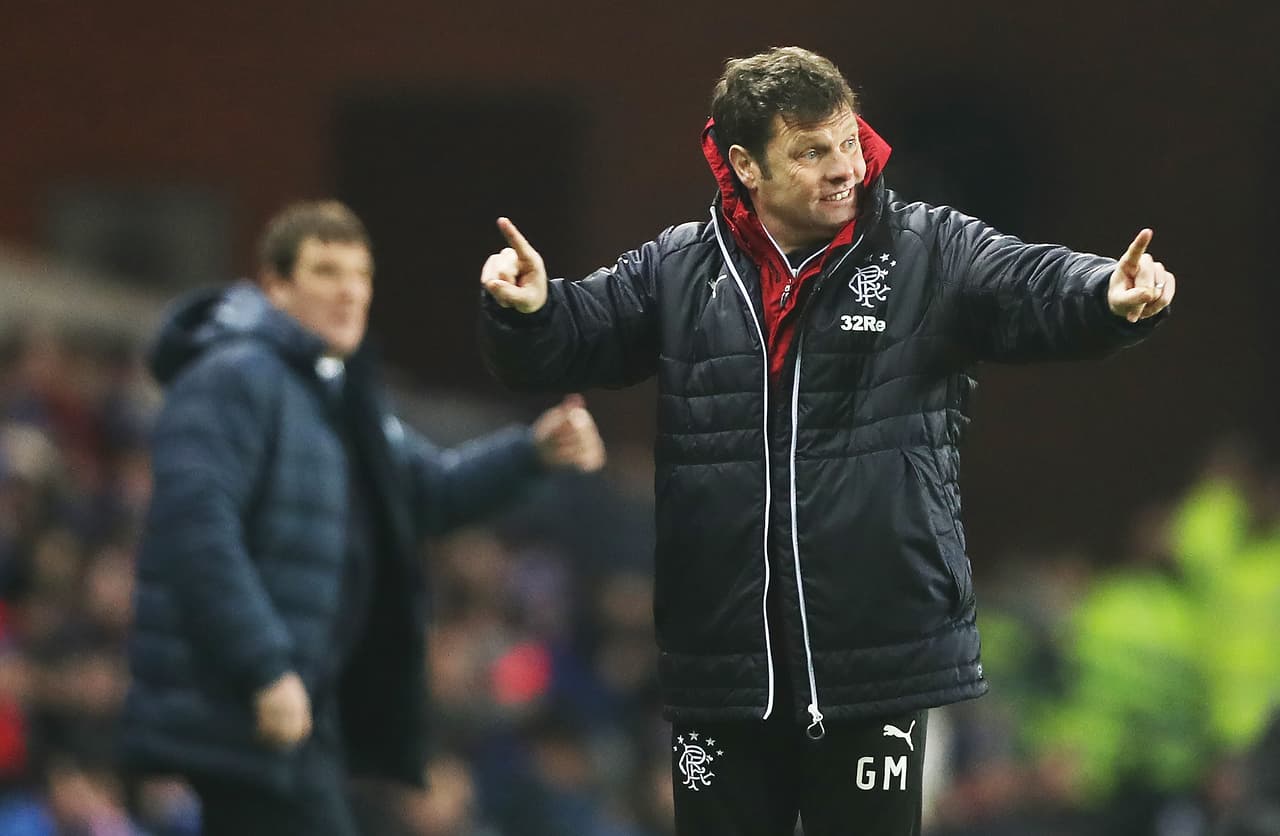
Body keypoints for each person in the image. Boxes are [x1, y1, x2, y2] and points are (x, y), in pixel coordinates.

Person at [477, 46, 1174, 836]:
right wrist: (527, 312)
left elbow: (1029, 284)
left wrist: (1106, 294)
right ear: (746, 164)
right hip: (724, 668)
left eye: (846, 141)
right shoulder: (677, 269)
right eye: (811, 152)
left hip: (872, 661)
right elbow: (577, 333)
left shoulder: (927, 249)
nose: (843, 167)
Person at [121, 200, 605, 836]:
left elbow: (429, 493)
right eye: (326, 272)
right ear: (276, 284)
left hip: (305, 705)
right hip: (248, 704)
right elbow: (197, 533)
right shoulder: (232, 378)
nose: (350, 293)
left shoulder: (334, 393)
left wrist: (532, 452)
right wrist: (263, 669)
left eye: (362, 274)